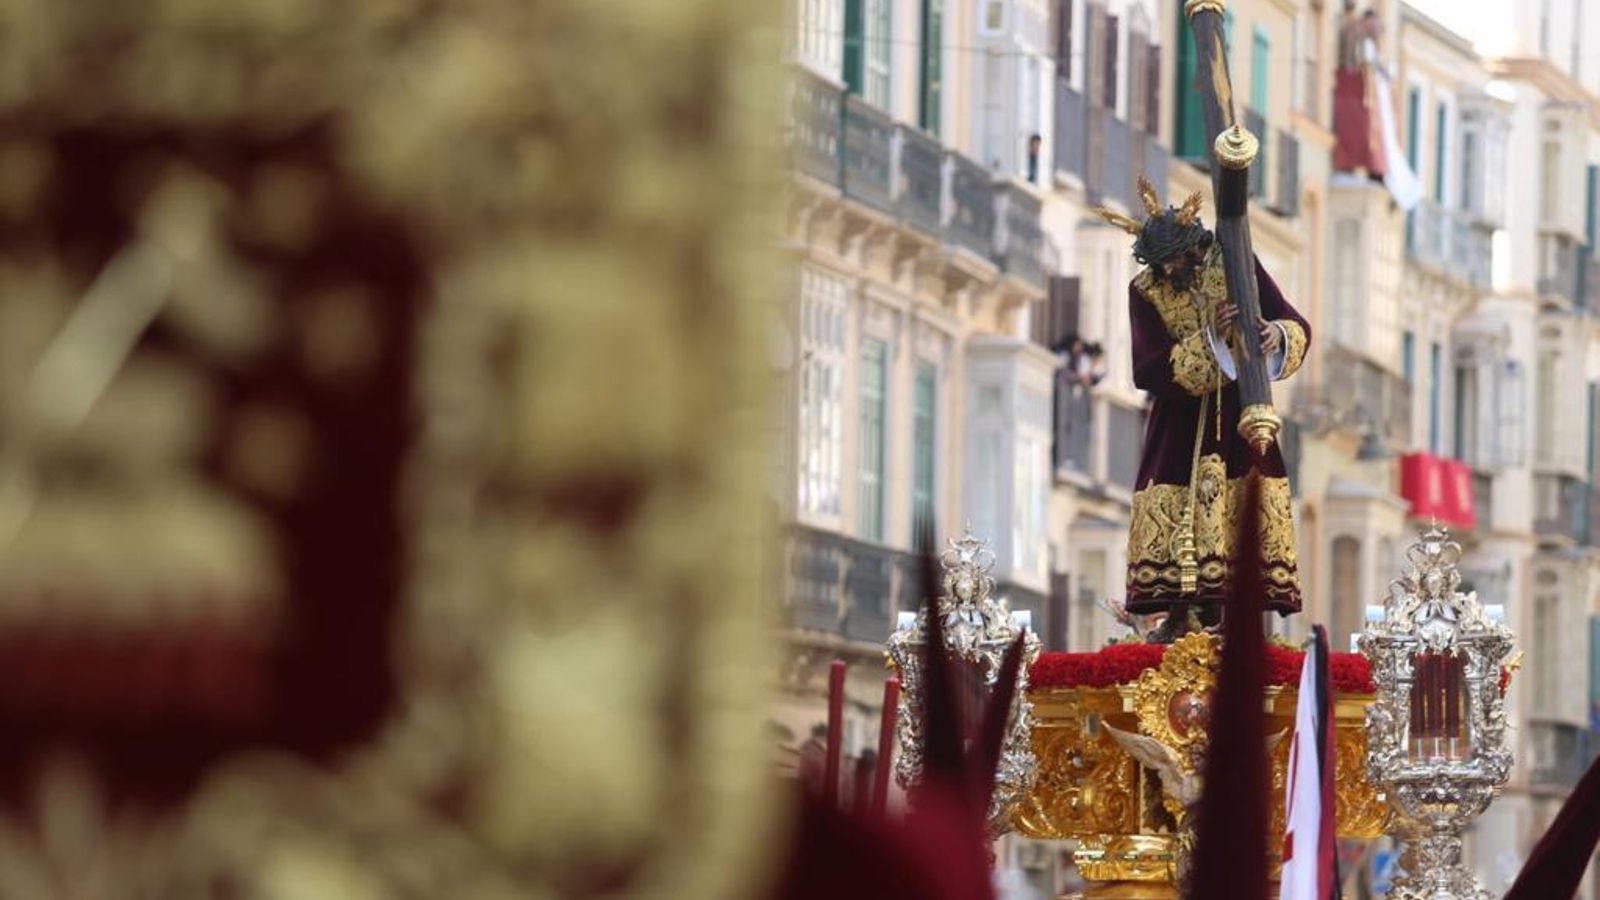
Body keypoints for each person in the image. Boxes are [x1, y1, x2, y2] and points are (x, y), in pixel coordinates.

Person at [1094, 178, 1310, 642]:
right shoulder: (1146, 291)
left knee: (1243, 512)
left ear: (1194, 247)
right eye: (1163, 263)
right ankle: (1180, 614)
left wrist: (1276, 334)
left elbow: (1292, 322)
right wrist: (1209, 340)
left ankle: (1241, 620)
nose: (1172, 269)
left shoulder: (1234, 263)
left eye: (1176, 258)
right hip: (1180, 422)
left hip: (1239, 414)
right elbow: (1148, 368)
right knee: (1177, 517)